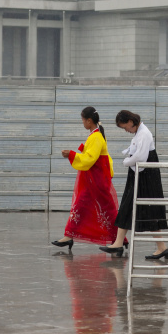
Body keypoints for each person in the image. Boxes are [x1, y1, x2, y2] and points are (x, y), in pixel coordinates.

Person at [99, 110, 168, 259]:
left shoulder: (144, 133)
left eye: (126, 127)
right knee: (128, 206)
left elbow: (141, 156)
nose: (126, 130)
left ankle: (161, 247)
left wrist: (126, 162)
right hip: (141, 174)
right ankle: (119, 242)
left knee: (147, 209)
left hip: (146, 175)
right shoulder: (140, 132)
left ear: (131, 122)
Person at [51, 106, 119, 250]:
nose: (82, 123)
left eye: (83, 120)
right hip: (94, 179)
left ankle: (119, 239)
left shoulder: (96, 136)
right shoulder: (96, 134)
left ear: (89, 121)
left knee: (102, 208)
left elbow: (89, 159)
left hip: (95, 180)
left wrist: (71, 154)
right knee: (85, 206)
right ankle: (69, 235)